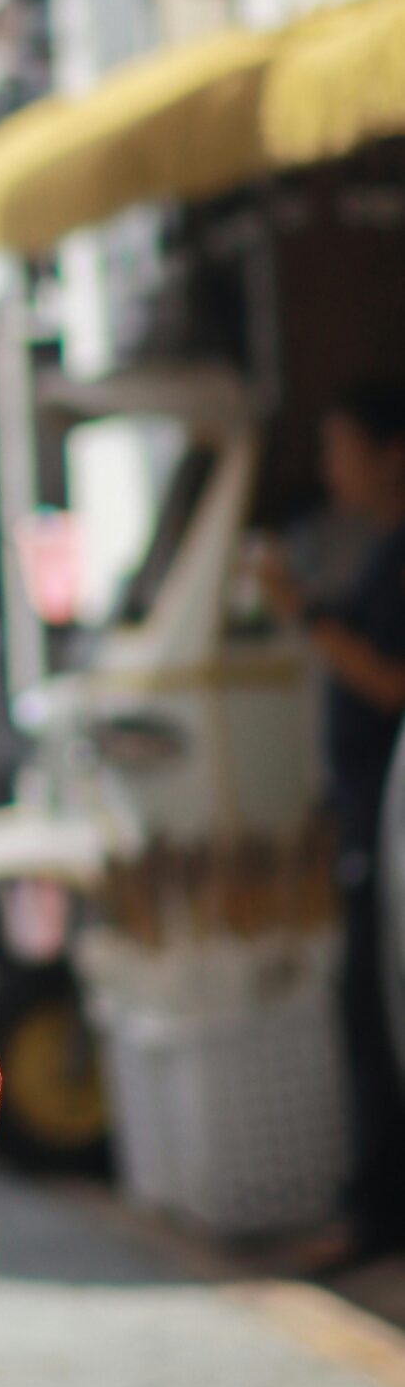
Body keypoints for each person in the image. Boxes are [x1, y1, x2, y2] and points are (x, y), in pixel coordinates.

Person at [262, 384, 405, 1252]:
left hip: (387, 823)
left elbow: (389, 681)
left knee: (373, 1008)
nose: (329, 471)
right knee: (363, 1010)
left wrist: (303, 611)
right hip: (366, 815)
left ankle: (376, 1216)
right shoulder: (380, 551)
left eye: (340, 448)